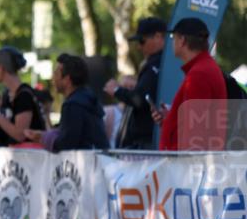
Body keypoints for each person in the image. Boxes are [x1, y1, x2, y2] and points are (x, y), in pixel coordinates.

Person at [154, 17, 227, 151]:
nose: (172, 41)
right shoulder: (203, 68)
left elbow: (195, 133)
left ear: (182, 40)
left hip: (186, 166)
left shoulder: (199, 74)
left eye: (173, 37)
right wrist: (170, 118)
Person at [25, 54, 109, 151]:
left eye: (56, 74)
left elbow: (66, 144)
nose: (53, 79)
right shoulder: (87, 98)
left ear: (67, 79)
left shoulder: (74, 104)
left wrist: (42, 139)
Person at [107, 16, 165, 149]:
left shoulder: (156, 64)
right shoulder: (159, 63)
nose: (139, 46)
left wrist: (117, 90)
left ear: (157, 37)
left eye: (142, 41)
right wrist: (137, 84)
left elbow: (140, 99)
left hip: (147, 141)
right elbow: (148, 91)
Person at [0, 46, 45, 144]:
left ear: (2, 67)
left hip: (31, 155)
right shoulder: (7, 94)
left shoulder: (24, 95)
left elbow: (20, 134)